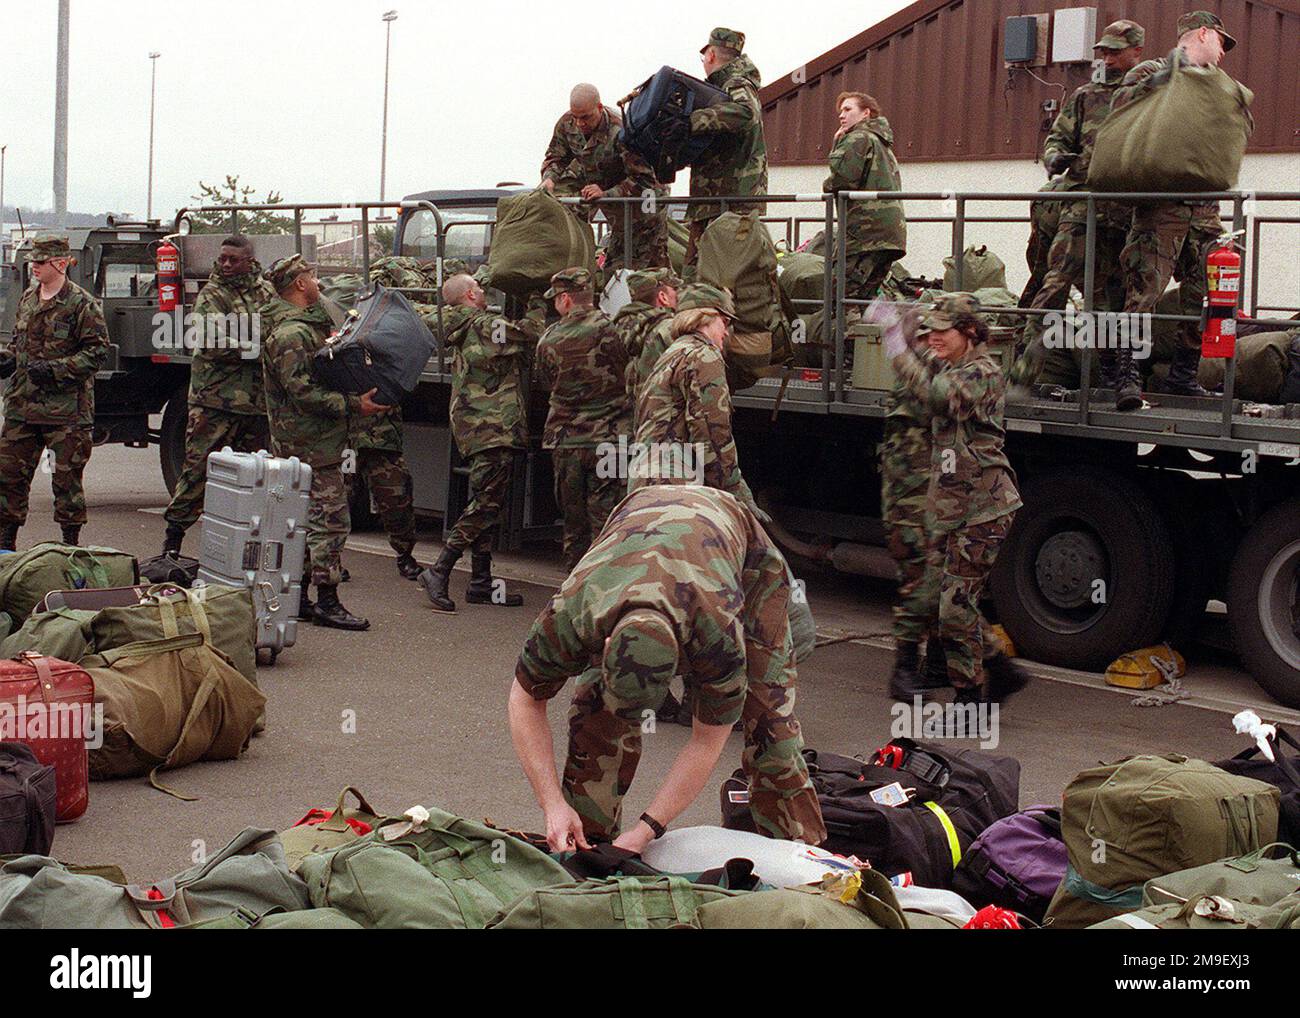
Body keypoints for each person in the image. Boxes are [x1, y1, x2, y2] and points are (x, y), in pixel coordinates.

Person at [509, 483, 826, 851]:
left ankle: (801, 864)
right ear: (605, 646)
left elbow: (707, 741)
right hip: (638, 524)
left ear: (682, 661)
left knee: (772, 731)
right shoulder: (573, 611)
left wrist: (646, 830)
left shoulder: (718, 639)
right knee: (594, 712)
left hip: (741, 552)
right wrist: (553, 805)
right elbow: (525, 699)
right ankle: (586, 844)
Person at [873, 294, 1028, 704]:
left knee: (955, 605)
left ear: (970, 332)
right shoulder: (956, 365)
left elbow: (938, 395)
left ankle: (975, 696)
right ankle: (987, 682)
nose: (933, 337)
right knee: (948, 603)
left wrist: (897, 344)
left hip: (981, 505)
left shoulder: (980, 373)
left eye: (943, 330)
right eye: (930, 329)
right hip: (953, 504)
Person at [1011, 21, 1146, 404]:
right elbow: (1058, 137)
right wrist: (1055, 156)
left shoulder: (1150, 96)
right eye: (1102, 51)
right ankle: (1022, 372)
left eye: (1114, 51)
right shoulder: (1086, 96)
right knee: (1056, 282)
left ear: (1136, 52)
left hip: (1129, 211)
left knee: (1114, 299)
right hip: (1083, 205)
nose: (1106, 57)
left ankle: (1120, 380)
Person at [1112, 11, 1240, 403]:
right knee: (1143, 293)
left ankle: (1183, 375)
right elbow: (1123, 106)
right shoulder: (1153, 70)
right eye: (1220, 42)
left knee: (1205, 294)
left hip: (1203, 212)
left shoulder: (1217, 85)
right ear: (1202, 34)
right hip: (1162, 211)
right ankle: (1127, 379)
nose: (1223, 52)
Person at [260, 255, 388, 631]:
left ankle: (299, 599)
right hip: (308, 443)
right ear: (300, 284)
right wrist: (355, 405)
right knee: (330, 523)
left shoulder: (302, 327)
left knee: (302, 522)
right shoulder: (291, 335)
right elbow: (302, 393)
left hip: (310, 441)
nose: (317, 281)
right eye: (312, 276)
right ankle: (327, 601)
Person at [418, 273, 547, 613]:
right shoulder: (487, 326)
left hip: (476, 426)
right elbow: (533, 333)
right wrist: (535, 298)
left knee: (485, 501)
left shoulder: (462, 326)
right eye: (480, 288)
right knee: (487, 504)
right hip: (492, 427)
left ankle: (481, 581)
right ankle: (439, 569)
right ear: (472, 294)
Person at [162, 235, 275, 556]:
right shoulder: (212, 293)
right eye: (222, 258)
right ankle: (172, 543)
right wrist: (257, 345)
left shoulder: (266, 292)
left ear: (249, 261)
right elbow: (209, 338)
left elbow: (280, 328)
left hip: (255, 406)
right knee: (197, 474)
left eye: (233, 259)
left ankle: (251, 550)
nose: (225, 264)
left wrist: (253, 339)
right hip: (214, 404)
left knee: (257, 478)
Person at [0, 236, 109, 551]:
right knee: (8, 478)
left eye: (40, 262)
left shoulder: (81, 304)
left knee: (66, 484)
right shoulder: (29, 298)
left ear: (60, 264)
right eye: (33, 261)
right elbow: (19, 344)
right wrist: (9, 360)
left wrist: (56, 369)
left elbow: (97, 352)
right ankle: (6, 545)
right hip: (23, 406)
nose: (33, 266)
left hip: (66, 412)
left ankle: (69, 547)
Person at [629, 284, 759, 514]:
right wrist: (737, 492)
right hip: (675, 490)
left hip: (649, 484)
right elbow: (711, 433)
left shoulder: (674, 352)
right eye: (725, 322)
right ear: (705, 318)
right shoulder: (703, 355)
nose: (726, 332)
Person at [534, 267, 632, 570]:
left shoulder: (549, 339)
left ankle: (574, 587)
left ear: (565, 298)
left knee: (573, 524)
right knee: (609, 519)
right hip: (612, 440)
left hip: (568, 440)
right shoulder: (616, 330)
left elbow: (545, 382)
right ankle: (608, 586)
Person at [540, 83, 669, 271]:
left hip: (643, 203)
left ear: (599, 108)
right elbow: (556, 156)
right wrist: (549, 178)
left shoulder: (622, 130)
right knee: (613, 270)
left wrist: (605, 193)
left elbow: (644, 179)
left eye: (585, 118)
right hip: (608, 199)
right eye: (576, 117)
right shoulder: (567, 123)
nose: (580, 124)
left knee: (649, 269)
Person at [684, 27, 767, 271]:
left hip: (729, 202)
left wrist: (694, 120)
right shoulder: (727, 87)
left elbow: (746, 112)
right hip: (717, 199)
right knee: (699, 273)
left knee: (718, 275)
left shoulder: (737, 83)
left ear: (710, 55)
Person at [823, 91, 906, 304]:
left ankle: (847, 338)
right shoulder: (882, 142)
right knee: (865, 299)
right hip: (890, 234)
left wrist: (836, 146)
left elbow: (842, 181)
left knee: (840, 296)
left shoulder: (857, 137)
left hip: (864, 234)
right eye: (841, 110)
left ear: (865, 113)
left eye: (848, 109)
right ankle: (876, 337)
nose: (842, 115)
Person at [347, 407, 421, 582]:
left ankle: (404, 554)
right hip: (345, 434)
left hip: (383, 437)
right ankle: (329, 559)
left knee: (396, 497)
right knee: (337, 499)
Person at [615, 267, 680, 408]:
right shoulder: (670, 329)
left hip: (635, 416)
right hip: (665, 416)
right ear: (663, 297)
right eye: (675, 290)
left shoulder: (621, 327)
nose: (678, 295)